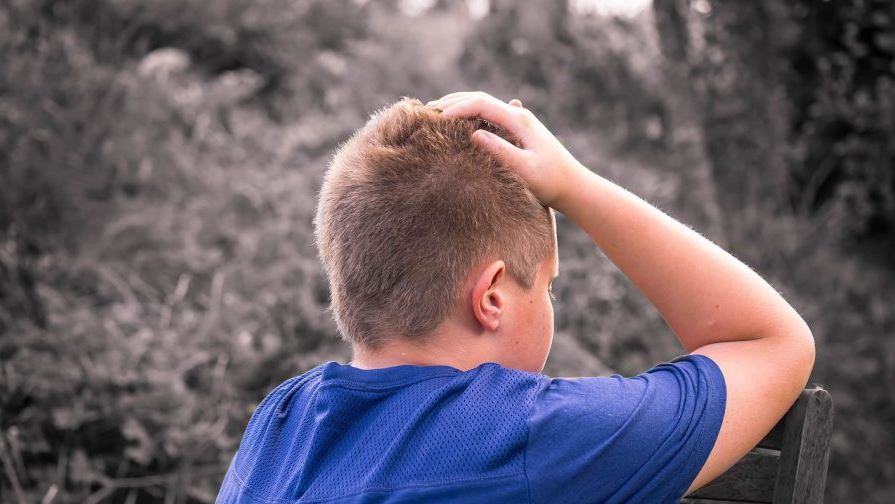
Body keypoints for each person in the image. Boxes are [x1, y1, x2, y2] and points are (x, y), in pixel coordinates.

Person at [215, 91, 815, 503]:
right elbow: (772, 342)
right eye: (547, 286)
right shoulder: (522, 436)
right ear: (493, 297)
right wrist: (575, 186)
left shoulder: (282, 418)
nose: (552, 305)